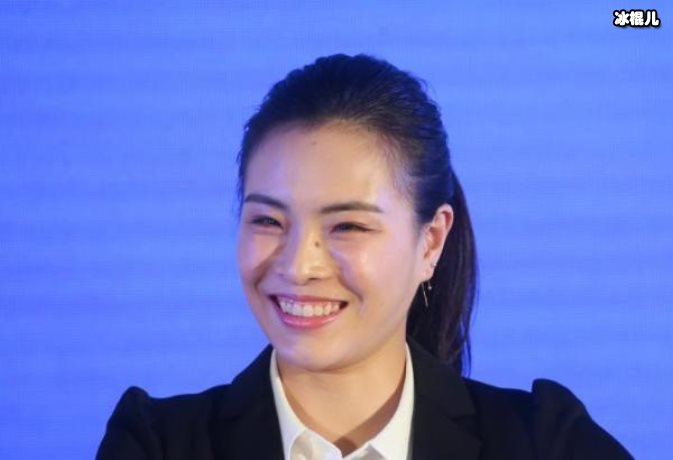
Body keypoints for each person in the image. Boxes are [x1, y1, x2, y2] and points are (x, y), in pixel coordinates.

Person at [96, 54, 633, 459]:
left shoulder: (544, 442)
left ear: (431, 241)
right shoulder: (157, 443)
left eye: (348, 226)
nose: (298, 266)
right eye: (268, 221)